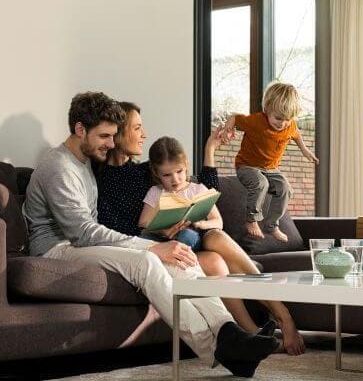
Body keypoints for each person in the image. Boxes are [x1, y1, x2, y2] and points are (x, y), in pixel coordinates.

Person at [22, 92, 279, 377]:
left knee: (182, 257)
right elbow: (82, 232)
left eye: (114, 135)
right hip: (58, 248)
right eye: (105, 136)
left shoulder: (85, 161)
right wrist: (150, 247)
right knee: (147, 261)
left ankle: (228, 330)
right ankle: (219, 348)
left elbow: (189, 187)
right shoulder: (59, 167)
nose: (111, 142)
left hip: (82, 244)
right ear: (80, 129)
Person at [96, 102, 305, 355]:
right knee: (215, 261)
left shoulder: (144, 170)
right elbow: (111, 229)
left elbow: (201, 191)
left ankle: (277, 317)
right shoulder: (99, 177)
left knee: (216, 240)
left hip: (182, 240)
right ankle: (253, 332)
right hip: (147, 249)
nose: (144, 134)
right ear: (117, 133)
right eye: (137, 128)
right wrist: (158, 236)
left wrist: (210, 150)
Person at [221, 82, 318, 242]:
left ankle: (272, 225)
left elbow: (296, 133)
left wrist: (305, 150)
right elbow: (234, 118)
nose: (282, 123)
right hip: (247, 166)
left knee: (286, 189)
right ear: (267, 109)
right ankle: (251, 220)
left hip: (271, 168)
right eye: (278, 118)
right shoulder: (256, 121)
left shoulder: (289, 125)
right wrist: (227, 130)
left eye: (287, 119)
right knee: (261, 183)